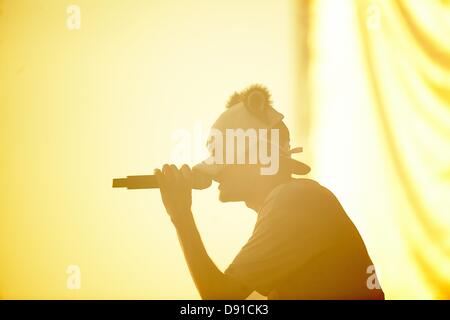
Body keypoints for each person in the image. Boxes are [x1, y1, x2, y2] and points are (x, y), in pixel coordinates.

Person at [154, 84, 384, 300]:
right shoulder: (295, 200)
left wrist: (181, 215)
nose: (215, 173)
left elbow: (219, 297)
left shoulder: (295, 200)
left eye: (222, 159)